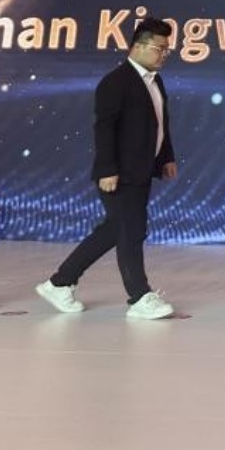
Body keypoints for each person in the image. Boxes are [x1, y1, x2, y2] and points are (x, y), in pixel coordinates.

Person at [35, 18, 180, 319]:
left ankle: (59, 283)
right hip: (119, 173)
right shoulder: (116, 82)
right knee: (130, 231)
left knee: (116, 229)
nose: (164, 54)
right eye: (159, 48)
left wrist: (166, 157)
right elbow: (104, 129)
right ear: (137, 46)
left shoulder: (154, 81)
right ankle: (139, 296)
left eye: (167, 49)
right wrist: (106, 170)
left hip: (141, 170)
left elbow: (159, 124)